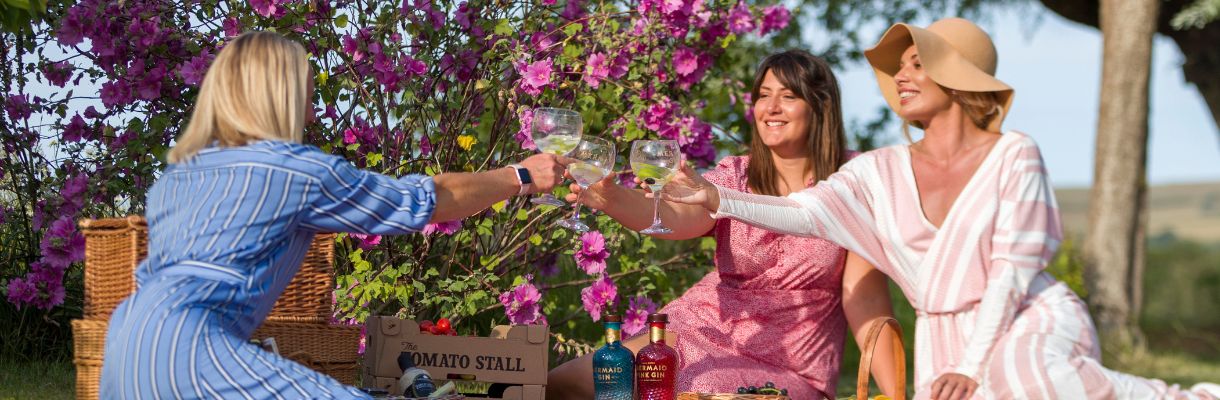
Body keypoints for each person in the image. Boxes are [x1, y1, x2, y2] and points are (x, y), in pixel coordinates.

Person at [653, 18, 1220, 400]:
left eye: (917, 64)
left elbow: (1010, 274)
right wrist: (719, 199)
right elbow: (807, 213)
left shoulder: (1013, 154)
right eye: (898, 66)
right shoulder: (878, 170)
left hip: (1026, 315)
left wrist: (974, 366)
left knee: (1025, 377)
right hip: (942, 336)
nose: (899, 75)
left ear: (958, 79)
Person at [99, 31, 570, 399]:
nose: (313, 82)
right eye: (304, 73)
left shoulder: (180, 176)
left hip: (126, 348)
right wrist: (519, 175)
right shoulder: (294, 170)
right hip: (191, 349)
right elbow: (422, 201)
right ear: (279, 87)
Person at [545, 50, 898, 400]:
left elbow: (866, 297)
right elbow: (677, 216)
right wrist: (612, 198)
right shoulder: (736, 174)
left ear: (820, 106)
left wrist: (895, 394)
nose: (771, 108)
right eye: (763, 95)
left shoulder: (850, 182)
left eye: (788, 96)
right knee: (570, 383)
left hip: (788, 361)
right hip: (701, 328)